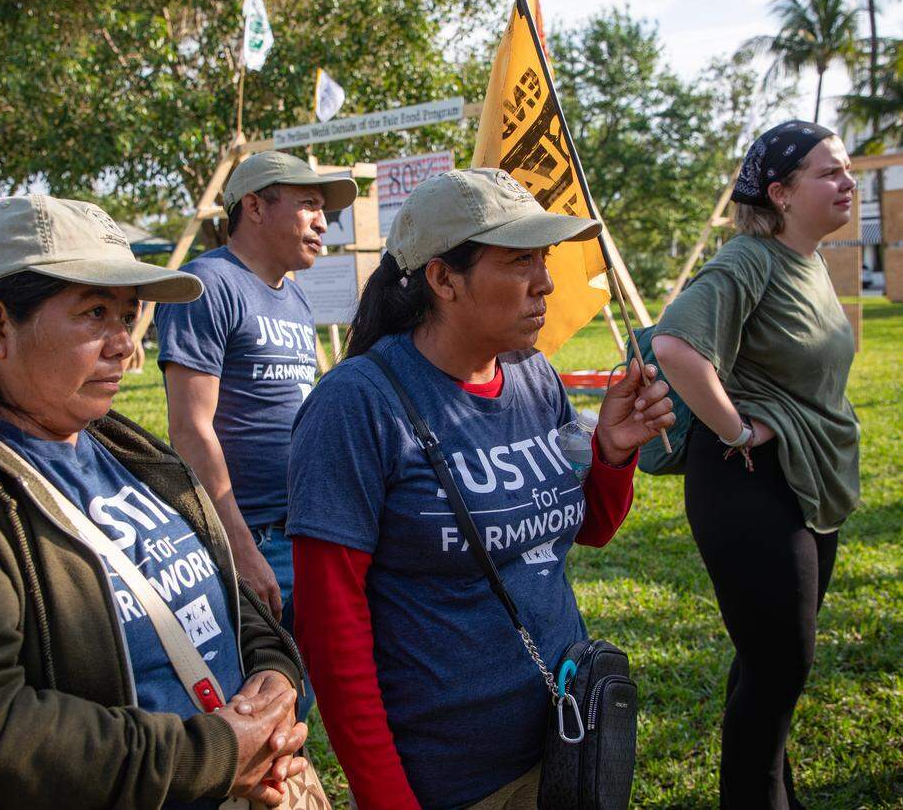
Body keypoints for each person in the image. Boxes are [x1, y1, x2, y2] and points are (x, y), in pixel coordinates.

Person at [0, 195, 310, 809]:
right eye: (95, 313)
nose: (124, 346)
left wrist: (275, 678)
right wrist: (214, 756)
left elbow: (230, 601)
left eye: (128, 316)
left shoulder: (127, 448)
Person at [286, 169, 675, 810]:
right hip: (450, 775)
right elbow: (331, 629)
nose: (545, 281)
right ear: (443, 279)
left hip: (567, 737)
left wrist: (609, 451)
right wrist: (385, 797)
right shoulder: (356, 405)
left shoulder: (533, 374)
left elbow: (586, 525)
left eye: (543, 258)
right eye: (520, 260)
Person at [653, 121, 860, 810]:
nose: (847, 182)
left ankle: (775, 794)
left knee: (768, 660)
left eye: (847, 168)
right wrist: (737, 427)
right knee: (779, 664)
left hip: (802, 480)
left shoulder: (807, 261)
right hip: (748, 484)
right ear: (780, 192)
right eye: (829, 172)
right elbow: (678, 345)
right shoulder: (748, 258)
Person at [155, 152, 356, 630]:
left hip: (304, 527)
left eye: (323, 210)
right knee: (254, 693)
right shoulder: (208, 284)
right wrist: (241, 548)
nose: (323, 223)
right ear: (255, 206)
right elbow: (189, 428)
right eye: (308, 204)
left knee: (298, 691)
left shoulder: (295, 296)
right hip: (249, 538)